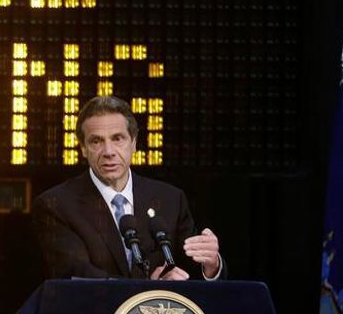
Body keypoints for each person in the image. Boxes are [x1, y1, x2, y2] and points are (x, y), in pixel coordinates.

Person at [32, 95, 224, 280]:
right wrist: (148, 289)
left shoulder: (170, 199)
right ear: (83, 148)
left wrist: (211, 264)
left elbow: (191, 272)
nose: (108, 152)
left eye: (117, 139)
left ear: (133, 142)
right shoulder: (56, 205)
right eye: (96, 141)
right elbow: (76, 275)